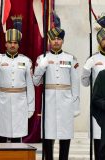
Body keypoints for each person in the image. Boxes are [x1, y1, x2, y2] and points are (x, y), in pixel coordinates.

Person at [33, 25, 80, 160]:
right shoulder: (41, 58)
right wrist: (41, 67)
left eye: (59, 39)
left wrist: (75, 106)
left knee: (65, 135)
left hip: (66, 101)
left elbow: (75, 84)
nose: (56, 41)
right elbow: (36, 82)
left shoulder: (71, 58)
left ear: (63, 41)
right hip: (49, 101)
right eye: (53, 39)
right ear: (49, 41)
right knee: (48, 134)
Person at [0, 15, 35, 143]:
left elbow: (30, 86)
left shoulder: (26, 61)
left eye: (15, 43)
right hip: (3, 101)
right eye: (10, 43)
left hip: (20, 102)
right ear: (5, 44)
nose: (12, 45)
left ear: (18, 45)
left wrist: (31, 107)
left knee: (17, 136)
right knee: (1, 134)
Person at [81, 12, 105, 160]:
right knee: (99, 143)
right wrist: (87, 69)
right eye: (104, 38)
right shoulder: (93, 59)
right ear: (99, 41)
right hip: (99, 106)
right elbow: (84, 82)